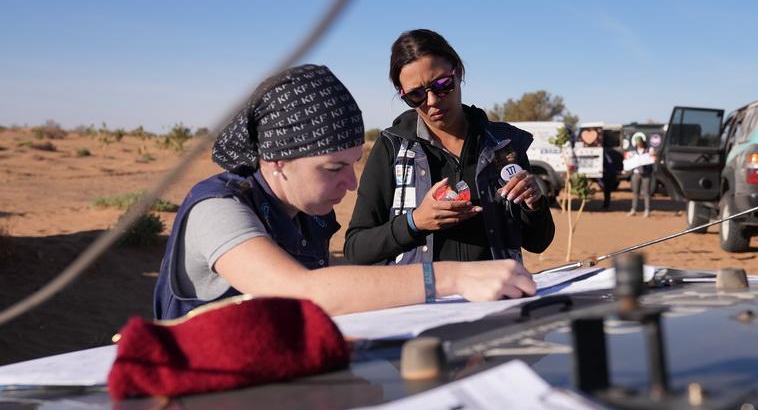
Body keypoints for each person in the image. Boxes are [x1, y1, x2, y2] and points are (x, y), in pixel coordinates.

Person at [153, 64, 536, 320]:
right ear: (276, 160)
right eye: (334, 168)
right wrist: (455, 278)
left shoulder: (311, 215)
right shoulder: (218, 208)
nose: (351, 183)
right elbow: (300, 293)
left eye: (353, 164)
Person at [343, 29, 555, 266]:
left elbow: (539, 242)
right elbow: (356, 249)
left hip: (497, 298)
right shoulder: (392, 147)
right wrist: (415, 223)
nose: (432, 101)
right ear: (402, 95)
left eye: (442, 84)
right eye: (416, 95)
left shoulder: (502, 145)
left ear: (458, 72)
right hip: (425, 301)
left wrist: (534, 203)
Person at [626, 134, 654, 218]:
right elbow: (628, 160)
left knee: (647, 193)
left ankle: (647, 210)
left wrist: (652, 156)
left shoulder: (648, 150)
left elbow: (652, 159)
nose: (639, 144)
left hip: (646, 174)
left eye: (640, 142)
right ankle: (634, 209)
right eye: (637, 142)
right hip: (636, 173)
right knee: (635, 192)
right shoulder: (633, 151)